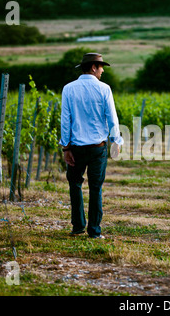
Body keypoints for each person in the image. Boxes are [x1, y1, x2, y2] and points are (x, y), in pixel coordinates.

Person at [59, 53, 123, 239]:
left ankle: (78, 226)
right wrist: (116, 141)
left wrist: (66, 147)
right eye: (101, 67)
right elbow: (112, 118)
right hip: (98, 147)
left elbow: (65, 120)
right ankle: (94, 231)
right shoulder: (104, 89)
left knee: (75, 184)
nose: (103, 70)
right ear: (94, 67)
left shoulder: (68, 89)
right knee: (96, 187)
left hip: (76, 147)